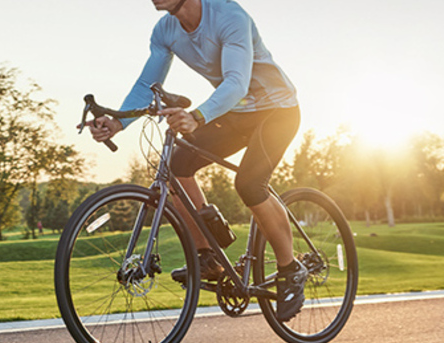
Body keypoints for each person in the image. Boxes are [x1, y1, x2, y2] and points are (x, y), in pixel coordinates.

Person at [87, 0, 305, 321]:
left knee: (248, 184)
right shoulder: (166, 30)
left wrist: (197, 117)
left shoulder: (229, 16)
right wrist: (119, 123)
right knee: (177, 167)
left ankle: (291, 269)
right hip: (236, 113)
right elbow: (146, 86)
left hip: (277, 111)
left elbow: (236, 82)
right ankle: (208, 258)